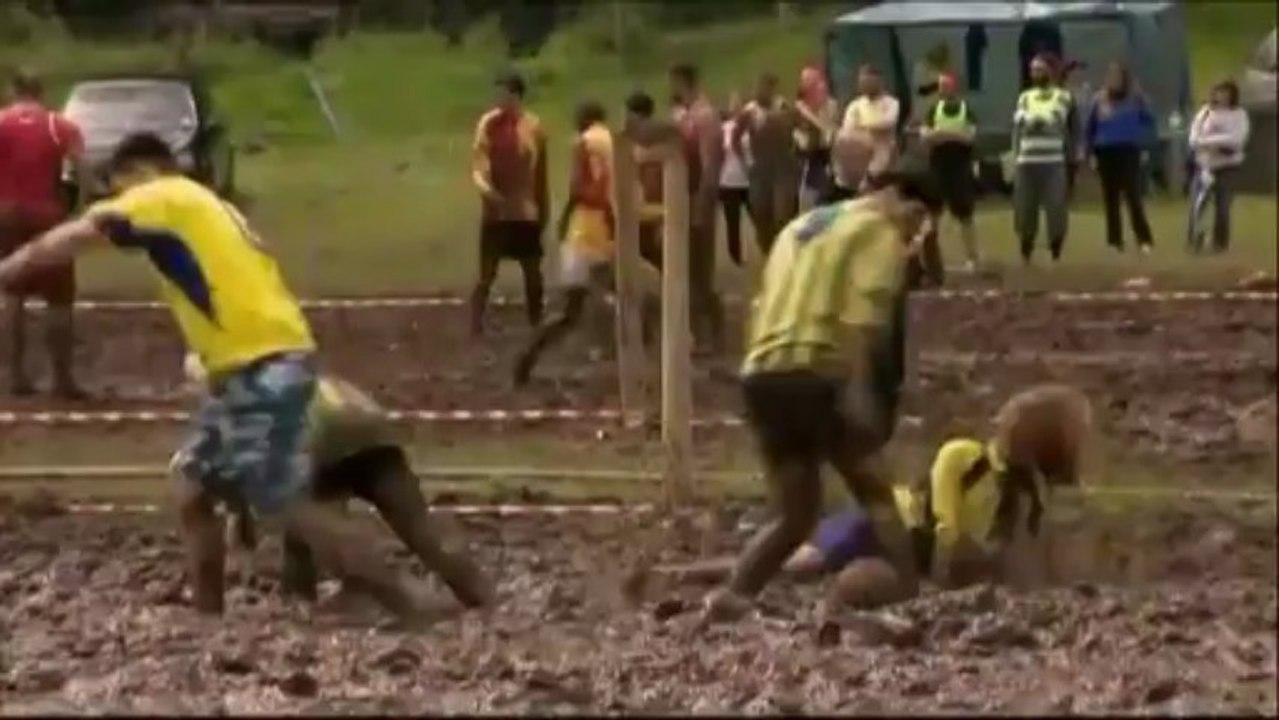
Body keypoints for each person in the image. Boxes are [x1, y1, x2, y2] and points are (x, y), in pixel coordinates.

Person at [0, 132, 437, 626]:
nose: (115, 197)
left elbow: (74, 237)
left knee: (282, 503)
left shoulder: (161, 195)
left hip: (261, 365)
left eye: (116, 186)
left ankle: (407, 600)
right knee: (192, 485)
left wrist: (9, 268)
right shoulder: (214, 207)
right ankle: (207, 618)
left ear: (137, 171)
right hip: (254, 365)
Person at [700, 158, 942, 623]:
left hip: (763, 371)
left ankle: (733, 597)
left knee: (795, 515)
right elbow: (867, 311)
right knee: (877, 496)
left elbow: (763, 299)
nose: (915, 235)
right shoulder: (881, 233)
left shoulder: (801, 226)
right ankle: (907, 595)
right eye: (921, 224)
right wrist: (860, 389)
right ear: (911, 206)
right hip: (822, 370)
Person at [670, 383, 1092, 600]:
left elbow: (1021, 551)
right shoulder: (964, 457)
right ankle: (685, 576)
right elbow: (946, 532)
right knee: (796, 563)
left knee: (806, 568)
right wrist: (947, 583)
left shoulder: (1028, 496)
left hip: (908, 559)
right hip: (882, 526)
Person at [179, 353, 494, 610]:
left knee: (306, 523)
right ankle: (479, 595)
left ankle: (323, 598)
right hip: (364, 421)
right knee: (419, 526)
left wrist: (241, 529)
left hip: (317, 434)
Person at [0, 68, 90, 399]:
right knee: (59, 297)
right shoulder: (59, 125)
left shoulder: (1, 122)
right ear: (42, 92)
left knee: (13, 295)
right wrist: (80, 207)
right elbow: (82, 167)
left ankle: (15, 376)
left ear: (12, 91)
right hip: (48, 214)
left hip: (7, 214)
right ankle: (62, 379)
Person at [513, 101, 614, 386]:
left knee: (573, 310)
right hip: (605, 233)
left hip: (584, 234)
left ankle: (529, 355)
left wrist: (566, 216)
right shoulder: (613, 142)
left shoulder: (584, 143)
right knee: (613, 298)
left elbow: (577, 188)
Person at [469, 71, 549, 337]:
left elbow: (540, 174)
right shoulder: (488, 124)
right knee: (487, 274)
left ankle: (536, 321)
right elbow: (479, 164)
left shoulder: (533, 127)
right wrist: (489, 192)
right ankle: (475, 325)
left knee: (532, 270)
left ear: (516, 96)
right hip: (496, 213)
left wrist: (543, 210)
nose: (498, 99)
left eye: (503, 93)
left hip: (525, 211)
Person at [669, 63, 726, 355]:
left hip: (697, 198)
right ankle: (696, 332)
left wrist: (702, 206)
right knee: (687, 269)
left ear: (683, 82)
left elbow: (710, 165)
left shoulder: (704, 116)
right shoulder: (685, 115)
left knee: (700, 270)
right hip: (683, 198)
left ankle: (712, 334)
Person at [1084, 61, 1156, 255]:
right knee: (1110, 197)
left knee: (1133, 195)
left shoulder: (1136, 98)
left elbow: (1149, 120)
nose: (1113, 79)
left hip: (1128, 149)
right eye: (1111, 75)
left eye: (1117, 76)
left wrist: (1145, 145)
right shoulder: (1099, 99)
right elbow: (1090, 127)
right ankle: (1114, 241)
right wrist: (1089, 153)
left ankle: (1144, 239)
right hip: (1105, 150)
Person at [1011, 53, 1075, 265]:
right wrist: (1035, 122)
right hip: (1026, 162)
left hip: (1053, 162)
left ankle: (1055, 249)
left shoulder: (1063, 96)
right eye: (1032, 70)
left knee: (1056, 208)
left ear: (1050, 71)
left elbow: (1056, 118)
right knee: (1025, 209)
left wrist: (1033, 121)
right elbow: (1019, 120)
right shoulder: (1025, 97)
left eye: (1039, 69)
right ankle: (1026, 249)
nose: (1034, 74)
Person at [920, 71, 980, 271]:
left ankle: (971, 258)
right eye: (940, 86)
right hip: (938, 167)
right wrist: (954, 135)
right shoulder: (933, 110)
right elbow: (926, 137)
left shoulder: (966, 109)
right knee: (932, 214)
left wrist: (941, 134)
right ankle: (931, 259)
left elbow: (969, 138)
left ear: (955, 87)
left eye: (946, 85)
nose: (942, 89)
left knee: (965, 215)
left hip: (960, 168)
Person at [735, 72, 800, 256]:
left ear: (772, 89)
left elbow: (800, 129)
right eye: (757, 87)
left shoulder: (784, 107)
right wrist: (745, 162)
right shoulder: (749, 112)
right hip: (760, 167)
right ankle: (767, 250)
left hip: (783, 165)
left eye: (764, 87)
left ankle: (785, 251)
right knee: (760, 211)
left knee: (782, 214)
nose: (759, 92)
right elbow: (735, 138)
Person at [1187, 80, 1250, 254]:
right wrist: (1211, 143)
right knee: (1197, 205)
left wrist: (1208, 142)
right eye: (1218, 92)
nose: (1221, 96)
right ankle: (1195, 241)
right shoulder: (1205, 113)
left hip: (1227, 167)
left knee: (1223, 207)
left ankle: (1220, 243)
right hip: (1204, 166)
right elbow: (1193, 139)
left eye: (1225, 92)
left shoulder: (1239, 115)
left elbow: (1236, 140)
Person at [838, 64, 901, 194]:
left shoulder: (892, 103)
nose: (864, 86)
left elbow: (888, 122)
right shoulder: (855, 105)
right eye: (862, 82)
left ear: (878, 82)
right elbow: (848, 127)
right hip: (858, 154)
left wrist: (863, 125)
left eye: (868, 82)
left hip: (884, 154)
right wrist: (870, 128)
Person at [794, 65, 838, 212]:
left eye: (816, 81)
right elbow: (799, 138)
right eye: (807, 81)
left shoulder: (831, 106)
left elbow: (833, 131)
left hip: (828, 156)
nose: (817, 86)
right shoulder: (798, 109)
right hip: (807, 159)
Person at [719, 93, 754, 267]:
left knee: (760, 217)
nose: (737, 108)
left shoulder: (751, 128)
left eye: (740, 105)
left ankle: (768, 247)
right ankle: (735, 256)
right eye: (734, 105)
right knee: (732, 222)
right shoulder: (724, 128)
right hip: (728, 181)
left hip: (749, 181)